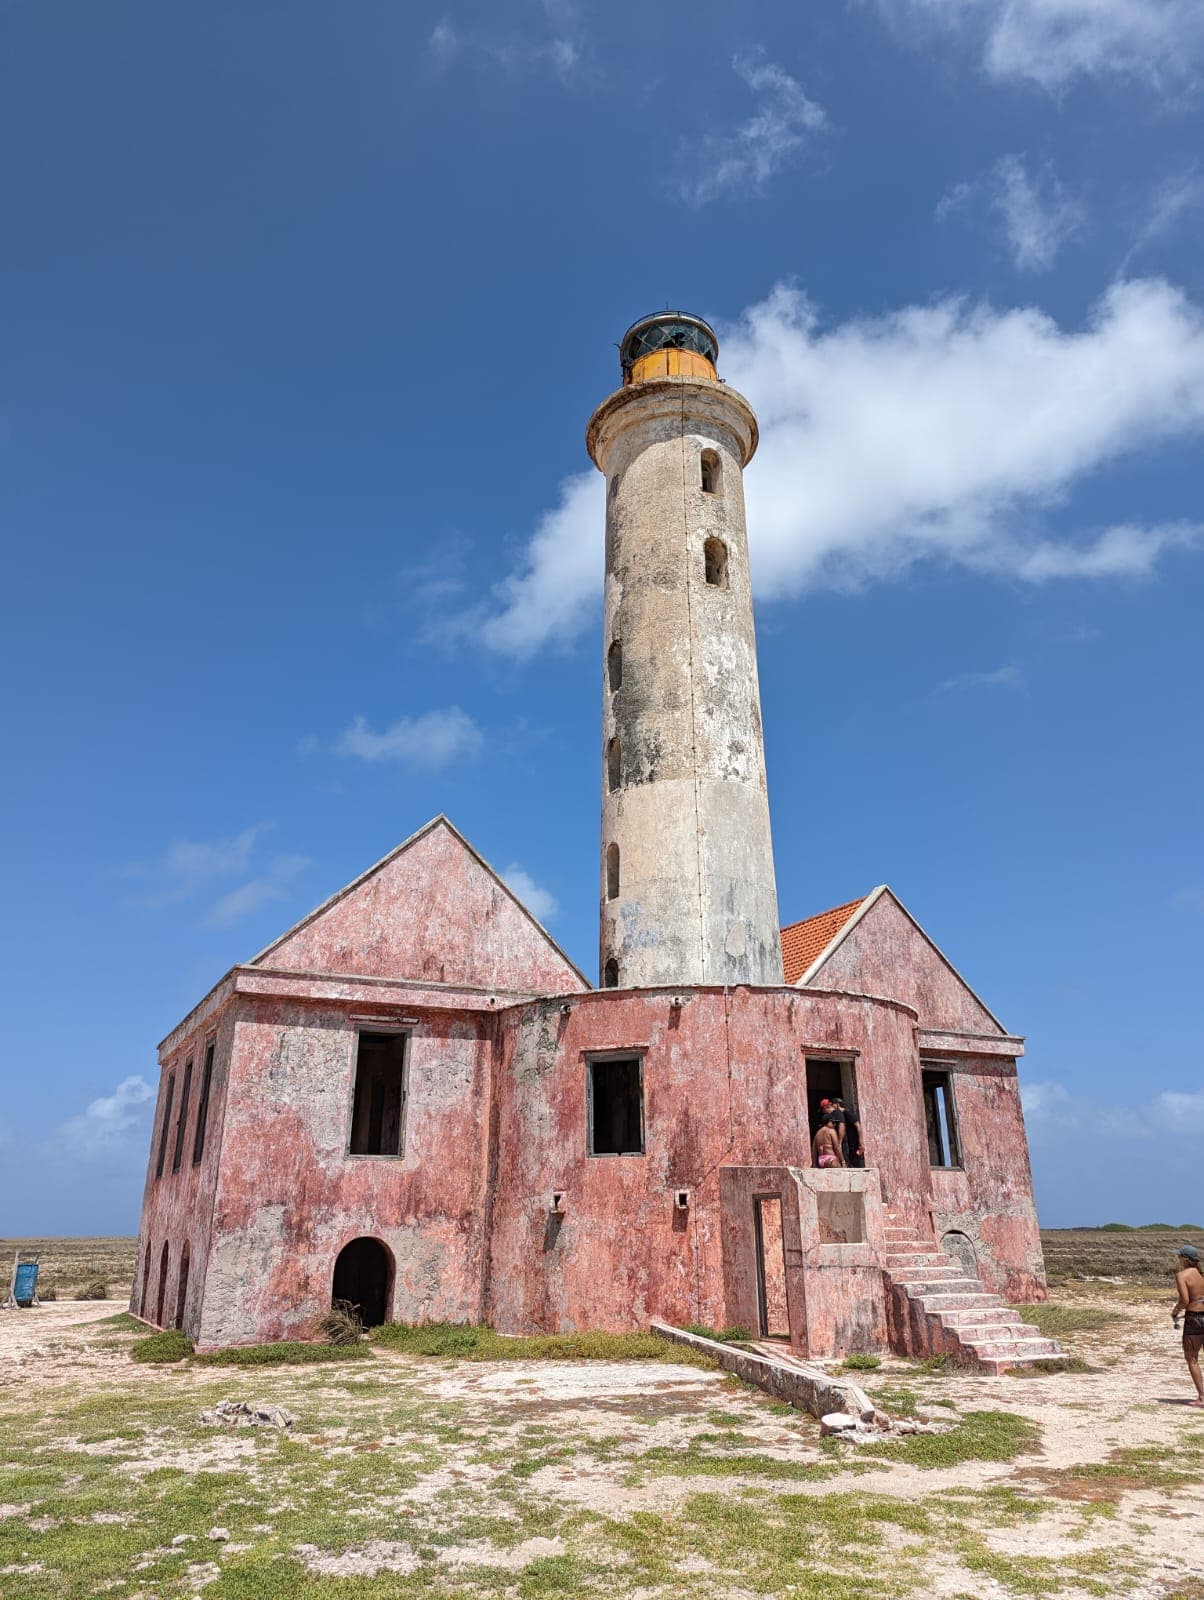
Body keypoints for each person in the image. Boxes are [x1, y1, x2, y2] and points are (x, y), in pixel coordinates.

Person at [1172, 1244, 1204, 1408]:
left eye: (1179, 1257)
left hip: (1195, 1319)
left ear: (1184, 1259)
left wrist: (1175, 1312)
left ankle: (1202, 1397)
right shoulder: (1201, 1274)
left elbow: (1184, 1301)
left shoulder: (1182, 1276)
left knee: (1192, 1358)